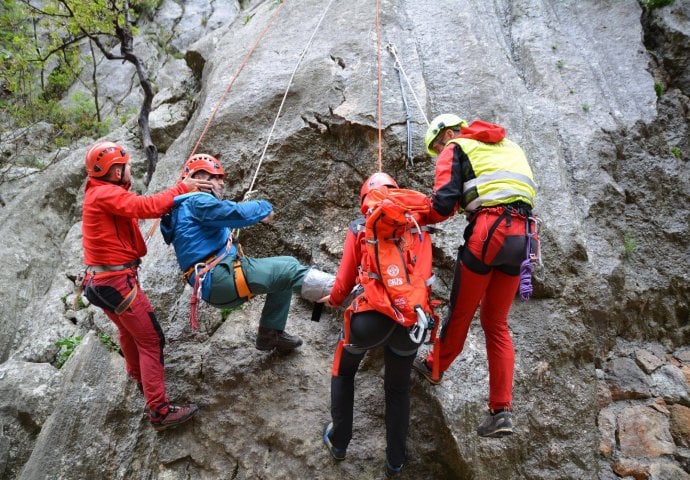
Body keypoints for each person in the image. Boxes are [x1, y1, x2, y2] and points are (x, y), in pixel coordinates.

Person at [412, 114, 537, 438]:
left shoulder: (456, 146)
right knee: (496, 323)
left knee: (462, 312)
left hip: (490, 233)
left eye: (438, 146)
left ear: (449, 133)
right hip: (524, 237)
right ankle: (501, 411)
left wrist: (409, 214)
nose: (440, 152)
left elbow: (442, 206)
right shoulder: (508, 145)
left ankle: (434, 366)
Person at [81, 140, 215, 431]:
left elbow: (137, 209)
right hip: (117, 283)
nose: (130, 169)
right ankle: (159, 412)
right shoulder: (104, 194)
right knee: (152, 340)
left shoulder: (100, 193)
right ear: (115, 172)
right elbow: (146, 206)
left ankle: (141, 379)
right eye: (126, 166)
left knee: (129, 335)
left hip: (100, 283)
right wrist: (184, 188)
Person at [321, 172, 432, 479]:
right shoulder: (418, 225)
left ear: (364, 201)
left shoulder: (360, 226)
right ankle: (395, 461)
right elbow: (423, 277)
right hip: (411, 321)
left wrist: (331, 300)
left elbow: (343, 282)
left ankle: (339, 441)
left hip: (369, 319)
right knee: (397, 389)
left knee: (344, 371)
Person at [160, 154, 332, 351]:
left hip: (215, 282)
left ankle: (270, 334)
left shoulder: (184, 209)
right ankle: (341, 291)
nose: (221, 183)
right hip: (219, 277)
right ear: (199, 177)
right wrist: (264, 207)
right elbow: (236, 214)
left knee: (283, 268)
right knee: (289, 268)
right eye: (216, 178)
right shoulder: (196, 202)